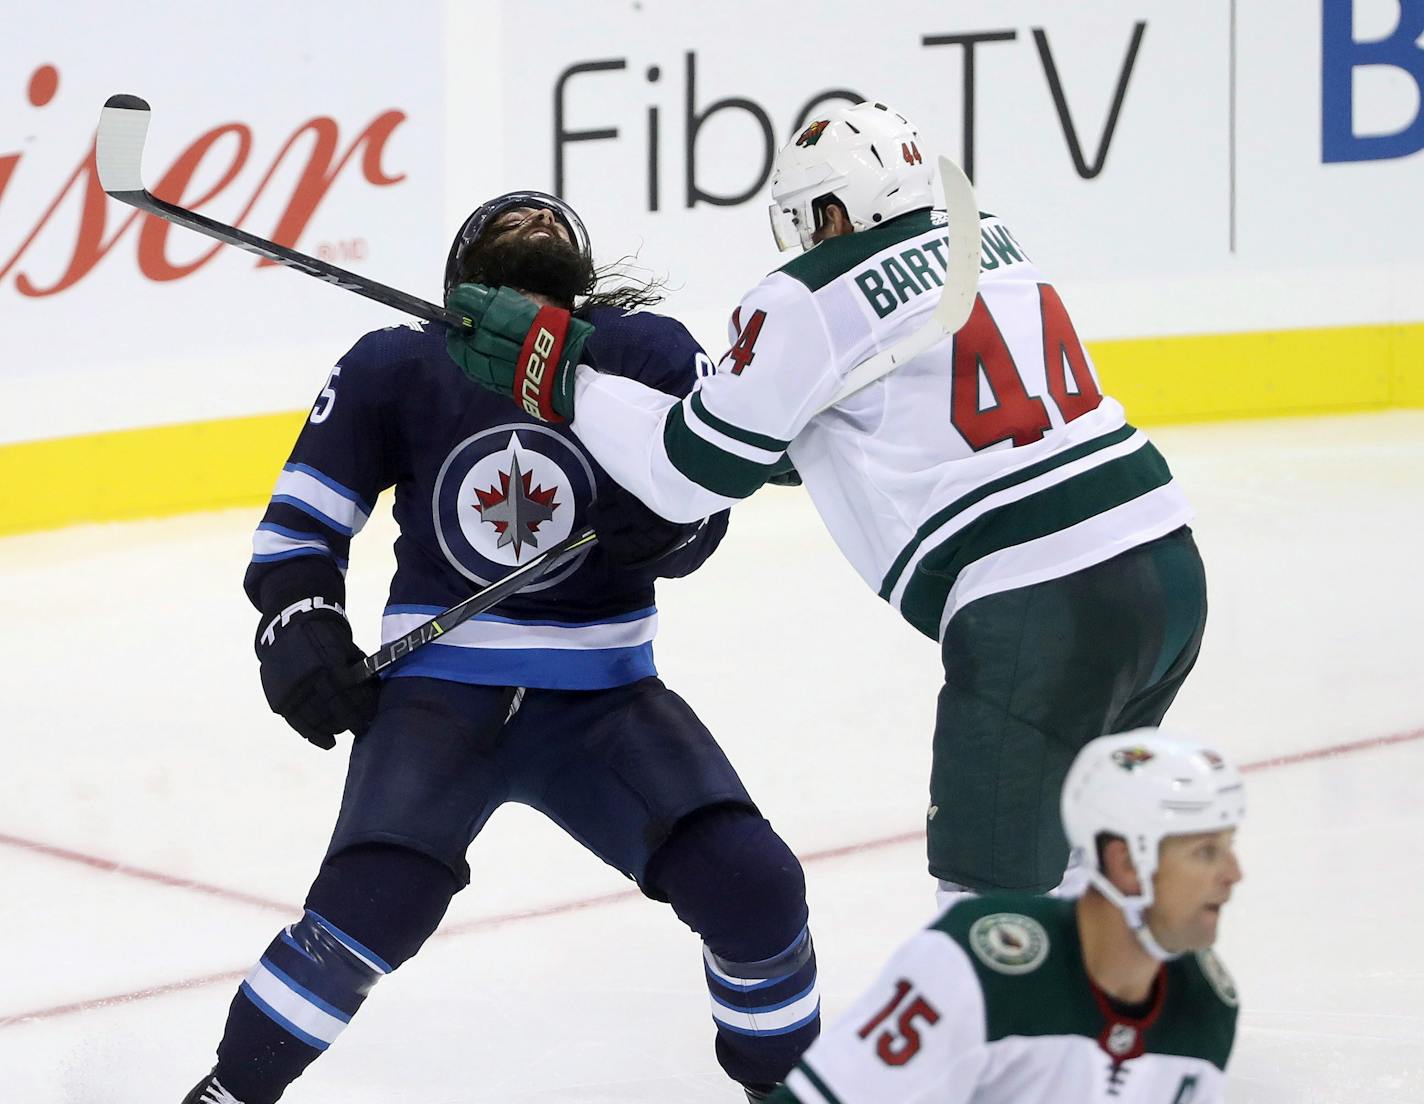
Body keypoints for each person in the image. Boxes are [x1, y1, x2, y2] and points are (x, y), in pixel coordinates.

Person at [444, 101, 1209, 906]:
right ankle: (1118, 1023)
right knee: (1089, 854)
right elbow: (878, 408)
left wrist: (564, 373)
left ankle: (1007, 1029)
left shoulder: (809, 292)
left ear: (836, 210)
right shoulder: (994, 238)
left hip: (1038, 610)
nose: (807, 241)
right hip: (1167, 565)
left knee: (989, 916)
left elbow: (689, 474)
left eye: (809, 221)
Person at [182, 191, 819, 1104]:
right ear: (458, 286)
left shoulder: (645, 356)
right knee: (368, 913)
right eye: (504, 222)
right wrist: (301, 627)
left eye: (559, 221)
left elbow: (706, 507)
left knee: (755, 891)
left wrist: (672, 526)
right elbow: (299, 530)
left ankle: (786, 1090)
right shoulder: (395, 362)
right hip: (436, 700)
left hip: (607, 703)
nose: (537, 221)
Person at [766, 729, 1245, 1103]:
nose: (1233, 874)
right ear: (1125, 862)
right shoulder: (980, 967)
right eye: (1205, 852)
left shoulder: (1204, 1008)